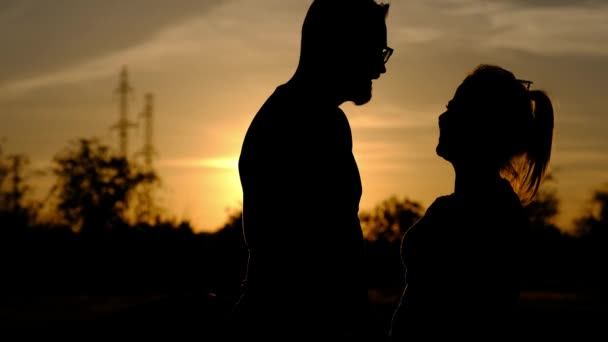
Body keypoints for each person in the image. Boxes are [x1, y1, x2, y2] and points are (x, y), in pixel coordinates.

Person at [229, 0, 392, 339]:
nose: (380, 68)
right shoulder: (302, 123)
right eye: (377, 51)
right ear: (341, 45)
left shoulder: (319, 119)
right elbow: (317, 259)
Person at [389, 64, 555, 340]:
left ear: (483, 126)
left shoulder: (490, 215)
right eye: (448, 106)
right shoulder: (460, 207)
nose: (443, 117)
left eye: (456, 109)